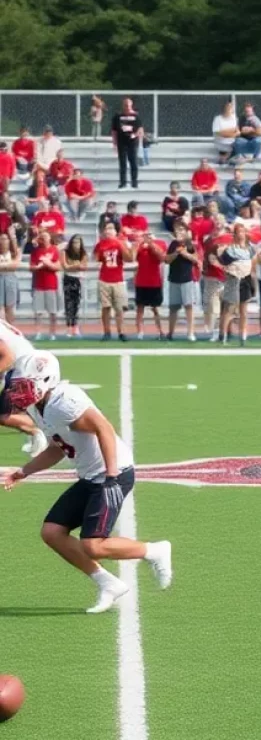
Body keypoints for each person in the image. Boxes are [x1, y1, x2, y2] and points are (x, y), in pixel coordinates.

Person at [2, 351, 172, 615]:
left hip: (110, 473)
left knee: (93, 544)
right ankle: (108, 583)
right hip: (92, 476)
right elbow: (59, 448)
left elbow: (103, 428)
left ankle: (154, 551)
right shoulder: (39, 406)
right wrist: (23, 471)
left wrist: (112, 476)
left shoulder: (64, 401)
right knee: (52, 532)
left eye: (24, 386)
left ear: (46, 380)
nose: (17, 393)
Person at [0, 317, 47, 455]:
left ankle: (39, 431)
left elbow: (8, 356)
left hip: (26, 368)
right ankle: (37, 432)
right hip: (26, 365)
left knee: (4, 415)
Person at [215, 224, 256, 346]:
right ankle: (222, 335)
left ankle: (243, 336)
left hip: (246, 278)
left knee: (244, 310)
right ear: (235, 234)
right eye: (239, 231)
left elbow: (253, 263)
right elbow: (223, 262)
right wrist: (220, 254)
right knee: (229, 309)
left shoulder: (250, 249)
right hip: (234, 278)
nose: (241, 234)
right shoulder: (230, 249)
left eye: (243, 231)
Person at [93, 223, 131, 342]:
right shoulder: (101, 244)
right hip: (104, 278)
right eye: (106, 228)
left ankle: (121, 332)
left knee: (119, 308)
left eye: (111, 228)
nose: (108, 231)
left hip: (118, 279)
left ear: (116, 231)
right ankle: (107, 332)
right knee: (106, 307)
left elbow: (129, 258)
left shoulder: (120, 243)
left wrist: (121, 243)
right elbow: (95, 258)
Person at [164, 220, 200, 342]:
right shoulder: (173, 244)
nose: (179, 232)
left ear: (186, 231)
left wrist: (184, 253)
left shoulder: (190, 244)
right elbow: (167, 260)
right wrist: (175, 253)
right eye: (177, 230)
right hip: (174, 279)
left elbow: (196, 260)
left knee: (188, 306)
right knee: (173, 307)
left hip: (187, 280)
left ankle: (190, 332)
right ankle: (170, 333)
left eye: (181, 229)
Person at [133, 232, 167, 341]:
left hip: (154, 282)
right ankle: (140, 332)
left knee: (156, 308)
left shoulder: (160, 243)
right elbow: (132, 257)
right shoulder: (140, 246)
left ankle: (161, 331)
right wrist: (138, 244)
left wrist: (151, 244)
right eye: (145, 235)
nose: (147, 237)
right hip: (141, 281)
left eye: (149, 235)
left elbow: (161, 257)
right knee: (140, 308)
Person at [30, 230, 61, 341]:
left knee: (52, 311)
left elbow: (58, 266)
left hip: (51, 284)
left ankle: (52, 333)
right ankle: (38, 332)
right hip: (39, 284)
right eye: (42, 237)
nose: (43, 239)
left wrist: (48, 264)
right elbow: (31, 267)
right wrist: (39, 267)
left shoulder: (54, 250)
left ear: (49, 238)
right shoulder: (36, 252)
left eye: (45, 237)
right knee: (38, 311)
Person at [110, 98, 143, 190]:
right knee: (122, 163)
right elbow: (114, 131)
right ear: (123, 105)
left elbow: (140, 129)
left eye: (129, 105)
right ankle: (123, 182)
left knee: (133, 162)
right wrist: (114, 143)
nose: (127, 107)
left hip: (132, 142)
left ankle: (134, 182)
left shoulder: (136, 116)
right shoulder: (117, 116)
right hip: (122, 141)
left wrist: (135, 135)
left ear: (131, 105)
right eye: (125, 105)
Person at [60, 236, 87, 339]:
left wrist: (73, 267)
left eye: (78, 242)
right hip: (68, 278)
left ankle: (75, 326)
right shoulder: (65, 252)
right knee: (68, 303)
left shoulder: (82, 253)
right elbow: (65, 266)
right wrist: (76, 266)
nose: (76, 244)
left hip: (78, 279)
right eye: (74, 242)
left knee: (76, 303)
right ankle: (69, 327)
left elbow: (83, 266)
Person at [0, 235, 22, 327]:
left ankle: (10, 329)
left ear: (9, 241)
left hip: (10, 279)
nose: (3, 241)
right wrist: (9, 265)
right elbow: (11, 265)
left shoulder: (14, 252)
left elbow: (15, 265)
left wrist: (3, 266)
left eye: (5, 239)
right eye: (1, 239)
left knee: (10, 307)